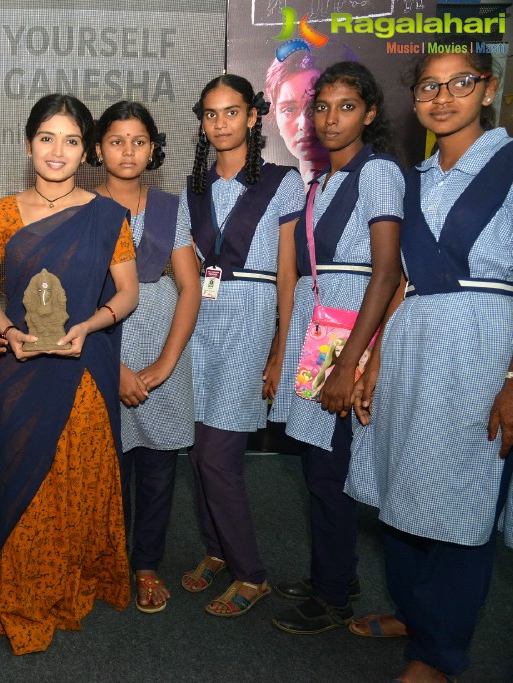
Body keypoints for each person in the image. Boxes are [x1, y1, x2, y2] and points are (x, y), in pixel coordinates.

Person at [345, 50, 513, 682]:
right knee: (402, 485)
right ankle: (416, 613)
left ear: (488, 88)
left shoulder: (509, 165)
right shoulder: (413, 179)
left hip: (484, 349)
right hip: (412, 346)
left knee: (461, 499)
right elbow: (399, 283)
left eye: (459, 84)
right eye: (427, 88)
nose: (442, 98)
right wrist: (369, 362)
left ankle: (438, 655)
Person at [0, 93, 139, 654]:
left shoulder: (107, 215)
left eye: (71, 140)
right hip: (18, 369)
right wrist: (5, 330)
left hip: (82, 367)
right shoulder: (3, 212)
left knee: (77, 483)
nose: (58, 151)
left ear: (86, 150)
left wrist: (89, 327)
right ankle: (22, 588)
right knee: (24, 483)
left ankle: (72, 579)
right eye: (47, 138)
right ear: (28, 143)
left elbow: (128, 292)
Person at [267, 60, 404, 634]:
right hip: (318, 332)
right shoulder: (321, 183)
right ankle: (336, 573)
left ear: (370, 113)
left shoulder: (377, 174)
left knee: (333, 470)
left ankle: (333, 599)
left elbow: (387, 272)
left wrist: (352, 362)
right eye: (320, 107)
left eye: (346, 107)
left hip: (350, 338)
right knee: (321, 468)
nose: (328, 118)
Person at [179, 74, 304, 617]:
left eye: (232, 112)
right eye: (211, 114)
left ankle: (251, 573)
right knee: (198, 448)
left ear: (253, 117)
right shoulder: (195, 186)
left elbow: (288, 274)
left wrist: (282, 346)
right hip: (198, 317)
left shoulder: (284, 180)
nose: (221, 123)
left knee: (218, 453)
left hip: (252, 316)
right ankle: (217, 550)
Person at [89, 100, 199, 614]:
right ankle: (106, 561)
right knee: (106, 469)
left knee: (158, 473)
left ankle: (147, 564)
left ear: (153, 148)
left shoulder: (170, 209)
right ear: (97, 148)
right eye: (116, 140)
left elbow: (190, 287)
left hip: (163, 358)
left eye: (138, 141)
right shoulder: (83, 209)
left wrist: (164, 365)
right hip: (102, 356)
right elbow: (76, 300)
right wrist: (116, 370)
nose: (127, 151)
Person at [265, 44, 356, 182]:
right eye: (289, 110)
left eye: (317, 107)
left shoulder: (372, 180)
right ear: (275, 115)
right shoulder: (281, 192)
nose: (304, 124)